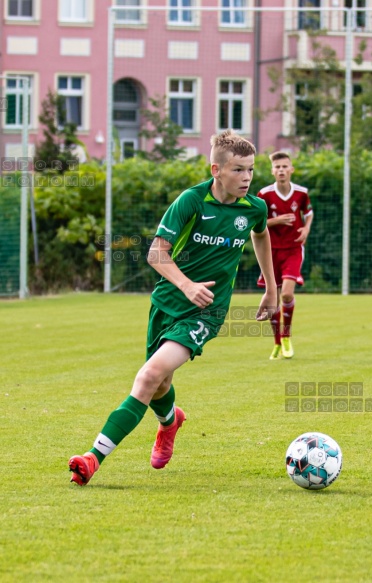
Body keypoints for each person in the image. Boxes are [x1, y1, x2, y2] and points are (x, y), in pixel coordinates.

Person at [68, 129, 277, 486]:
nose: (247, 178)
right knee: (161, 384)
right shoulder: (191, 202)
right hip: (168, 301)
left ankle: (93, 458)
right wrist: (187, 285)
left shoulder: (254, 208)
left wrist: (271, 288)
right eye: (238, 170)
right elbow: (156, 253)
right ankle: (170, 422)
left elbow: (260, 234)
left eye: (251, 170)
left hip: (206, 311)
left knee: (148, 377)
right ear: (216, 169)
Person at [256, 151, 313, 360]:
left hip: (293, 249)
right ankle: (277, 342)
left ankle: (286, 336)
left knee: (287, 294)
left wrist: (306, 229)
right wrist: (275, 221)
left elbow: (309, 214)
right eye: (277, 167)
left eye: (284, 166)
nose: (281, 170)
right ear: (272, 171)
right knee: (273, 296)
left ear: (291, 170)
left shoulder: (301, 193)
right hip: (270, 251)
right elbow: (257, 223)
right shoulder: (264, 195)